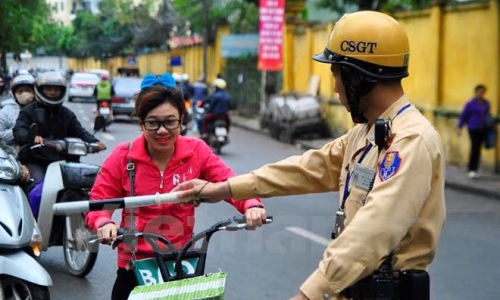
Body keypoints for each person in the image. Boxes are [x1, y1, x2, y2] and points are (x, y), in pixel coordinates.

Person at [173, 11, 446, 300]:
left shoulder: (410, 140)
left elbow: (373, 230)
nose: (335, 86)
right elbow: (307, 168)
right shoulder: (366, 133)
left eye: (337, 75)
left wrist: (309, 295)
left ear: (357, 78)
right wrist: (223, 189)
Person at [85, 72, 267, 300]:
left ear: (182, 120)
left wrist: (251, 204)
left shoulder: (197, 151)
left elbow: (227, 181)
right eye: (153, 123)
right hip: (134, 267)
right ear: (141, 124)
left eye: (170, 121)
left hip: (182, 262)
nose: (162, 131)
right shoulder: (123, 156)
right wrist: (104, 222)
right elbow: (99, 202)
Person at [13, 71, 106, 193]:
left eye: (56, 89)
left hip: (63, 160)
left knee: (81, 187)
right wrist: (31, 137)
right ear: (40, 90)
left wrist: (95, 142)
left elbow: (80, 131)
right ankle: (34, 211)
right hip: (36, 160)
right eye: (48, 89)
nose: (52, 92)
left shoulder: (66, 114)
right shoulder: (28, 111)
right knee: (38, 188)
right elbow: (19, 129)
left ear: (62, 91)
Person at [457, 84, 492, 179]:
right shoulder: (470, 104)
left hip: (483, 128)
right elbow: (464, 115)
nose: (481, 94)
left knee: (479, 148)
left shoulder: (486, 103)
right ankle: (471, 169)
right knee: (475, 147)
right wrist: (460, 127)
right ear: (476, 92)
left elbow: (488, 115)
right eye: (480, 92)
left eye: (483, 92)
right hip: (473, 128)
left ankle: (475, 168)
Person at [0, 73, 36, 146]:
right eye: (20, 91)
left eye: (28, 90)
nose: (24, 94)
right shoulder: (6, 112)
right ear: (14, 94)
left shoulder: (42, 109)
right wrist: (20, 132)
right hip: (14, 154)